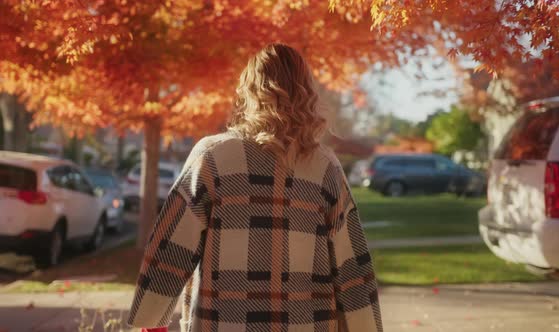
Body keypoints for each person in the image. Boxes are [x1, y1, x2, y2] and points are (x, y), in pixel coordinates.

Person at [128, 43, 383, 332]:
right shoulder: (325, 167)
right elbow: (352, 265)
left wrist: (151, 322)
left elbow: (170, 248)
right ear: (306, 91)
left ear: (249, 91)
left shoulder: (212, 157)